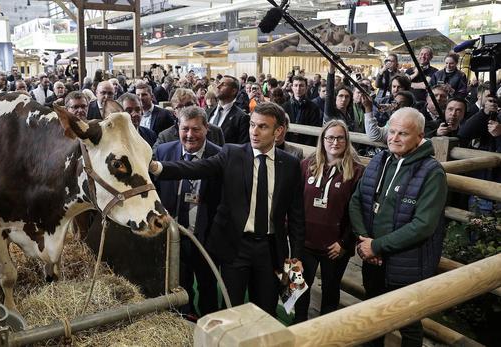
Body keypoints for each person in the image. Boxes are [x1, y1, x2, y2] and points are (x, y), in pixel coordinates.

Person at [149, 102, 305, 316]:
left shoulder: (290, 165)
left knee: (266, 309)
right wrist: (158, 167)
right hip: (236, 247)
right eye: (252, 125)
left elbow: (296, 215)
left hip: (270, 250)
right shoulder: (232, 154)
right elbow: (197, 167)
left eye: (262, 127)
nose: (254, 132)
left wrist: (295, 255)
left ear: (278, 131)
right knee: (231, 309)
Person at [350, 107, 447, 347]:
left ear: (420, 135)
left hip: (407, 264)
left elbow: (423, 225)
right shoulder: (380, 160)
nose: (394, 138)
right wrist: (365, 242)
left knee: (409, 324)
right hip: (372, 258)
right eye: (391, 131)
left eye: (402, 133)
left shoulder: (432, 172)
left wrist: (378, 245)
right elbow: (357, 200)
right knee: (374, 316)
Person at [154, 106, 221, 319]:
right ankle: (183, 323)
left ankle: (209, 326)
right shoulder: (163, 152)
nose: (190, 135)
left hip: (205, 239)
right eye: (185, 129)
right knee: (178, 287)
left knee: (208, 287)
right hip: (173, 237)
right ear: (178, 128)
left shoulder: (220, 156)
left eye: (196, 129)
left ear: (206, 129)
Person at [293, 120, 364, 323]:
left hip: (335, 246)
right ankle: (296, 326)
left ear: (347, 140)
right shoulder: (306, 165)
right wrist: (293, 235)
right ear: (322, 140)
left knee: (331, 290)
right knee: (296, 287)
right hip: (303, 242)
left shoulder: (357, 171)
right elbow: (294, 202)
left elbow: (357, 212)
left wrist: (345, 242)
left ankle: (327, 331)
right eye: (330, 137)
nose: (335, 142)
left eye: (340, 137)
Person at [153, 88, 224, 152]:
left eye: (189, 104)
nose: (185, 109)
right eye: (180, 107)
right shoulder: (165, 137)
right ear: (175, 113)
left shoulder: (215, 132)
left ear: (198, 105)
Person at [207, 75, 250, 144]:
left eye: (223, 85)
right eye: (219, 83)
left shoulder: (242, 118)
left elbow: (242, 147)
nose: (218, 86)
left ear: (233, 91)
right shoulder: (208, 112)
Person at [282, 75, 322, 145]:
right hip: (287, 143)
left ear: (306, 88)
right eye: (296, 85)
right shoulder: (284, 107)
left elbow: (314, 130)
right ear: (292, 87)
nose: (298, 88)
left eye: (301, 86)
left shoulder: (314, 107)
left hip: (306, 145)